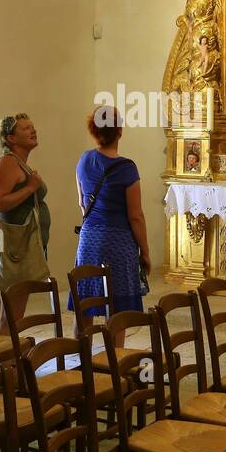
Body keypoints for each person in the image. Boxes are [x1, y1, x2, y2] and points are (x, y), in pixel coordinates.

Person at [70, 107, 149, 338]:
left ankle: (81, 359)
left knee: (84, 304)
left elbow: (82, 203)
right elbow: (136, 216)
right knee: (116, 311)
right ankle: (115, 367)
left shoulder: (84, 161)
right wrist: (145, 252)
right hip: (118, 242)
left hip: (89, 239)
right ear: (120, 131)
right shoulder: (127, 168)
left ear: (93, 131)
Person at [0, 113, 51, 332]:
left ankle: (9, 360)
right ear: (11, 138)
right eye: (25, 128)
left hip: (24, 247)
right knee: (11, 314)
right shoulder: (7, 163)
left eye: (32, 127)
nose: (33, 131)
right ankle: (4, 362)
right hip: (15, 248)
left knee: (15, 312)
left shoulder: (18, 163)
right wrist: (30, 188)